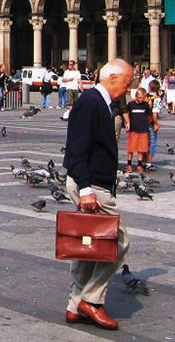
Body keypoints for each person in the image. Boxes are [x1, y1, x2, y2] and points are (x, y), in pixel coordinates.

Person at [62, 59, 132, 331]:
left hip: (92, 182)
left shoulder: (100, 102)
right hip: (91, 185)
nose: (129, 87)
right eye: (127, 82)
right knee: (118, 240)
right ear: (113, 78)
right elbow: (76, 146)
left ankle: (74, 304)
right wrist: (87, 189)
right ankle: (91, 300)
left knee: (87, 245)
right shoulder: (91, 102)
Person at [125, 88, 155, 173]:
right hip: (133, 130)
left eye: (143, 97)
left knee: (141, 149)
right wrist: (127, 124)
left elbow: (150, 115)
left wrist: (147, 123)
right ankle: (129, 164)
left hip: (143, 129)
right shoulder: (131, 104)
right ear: (136, 96)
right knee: (131, 148)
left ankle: (139, 165)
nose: (142, 99)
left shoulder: (145, 105)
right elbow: (127, 114)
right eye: (140, 97)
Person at [145, 80, 162, 170]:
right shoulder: (157, 98)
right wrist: (157, 123)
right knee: (152, 142)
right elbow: (154, 114)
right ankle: (149, 163)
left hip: (142, 122)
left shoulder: (145, 96)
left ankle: (143, 161)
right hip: (151, 122)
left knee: (145, 142)